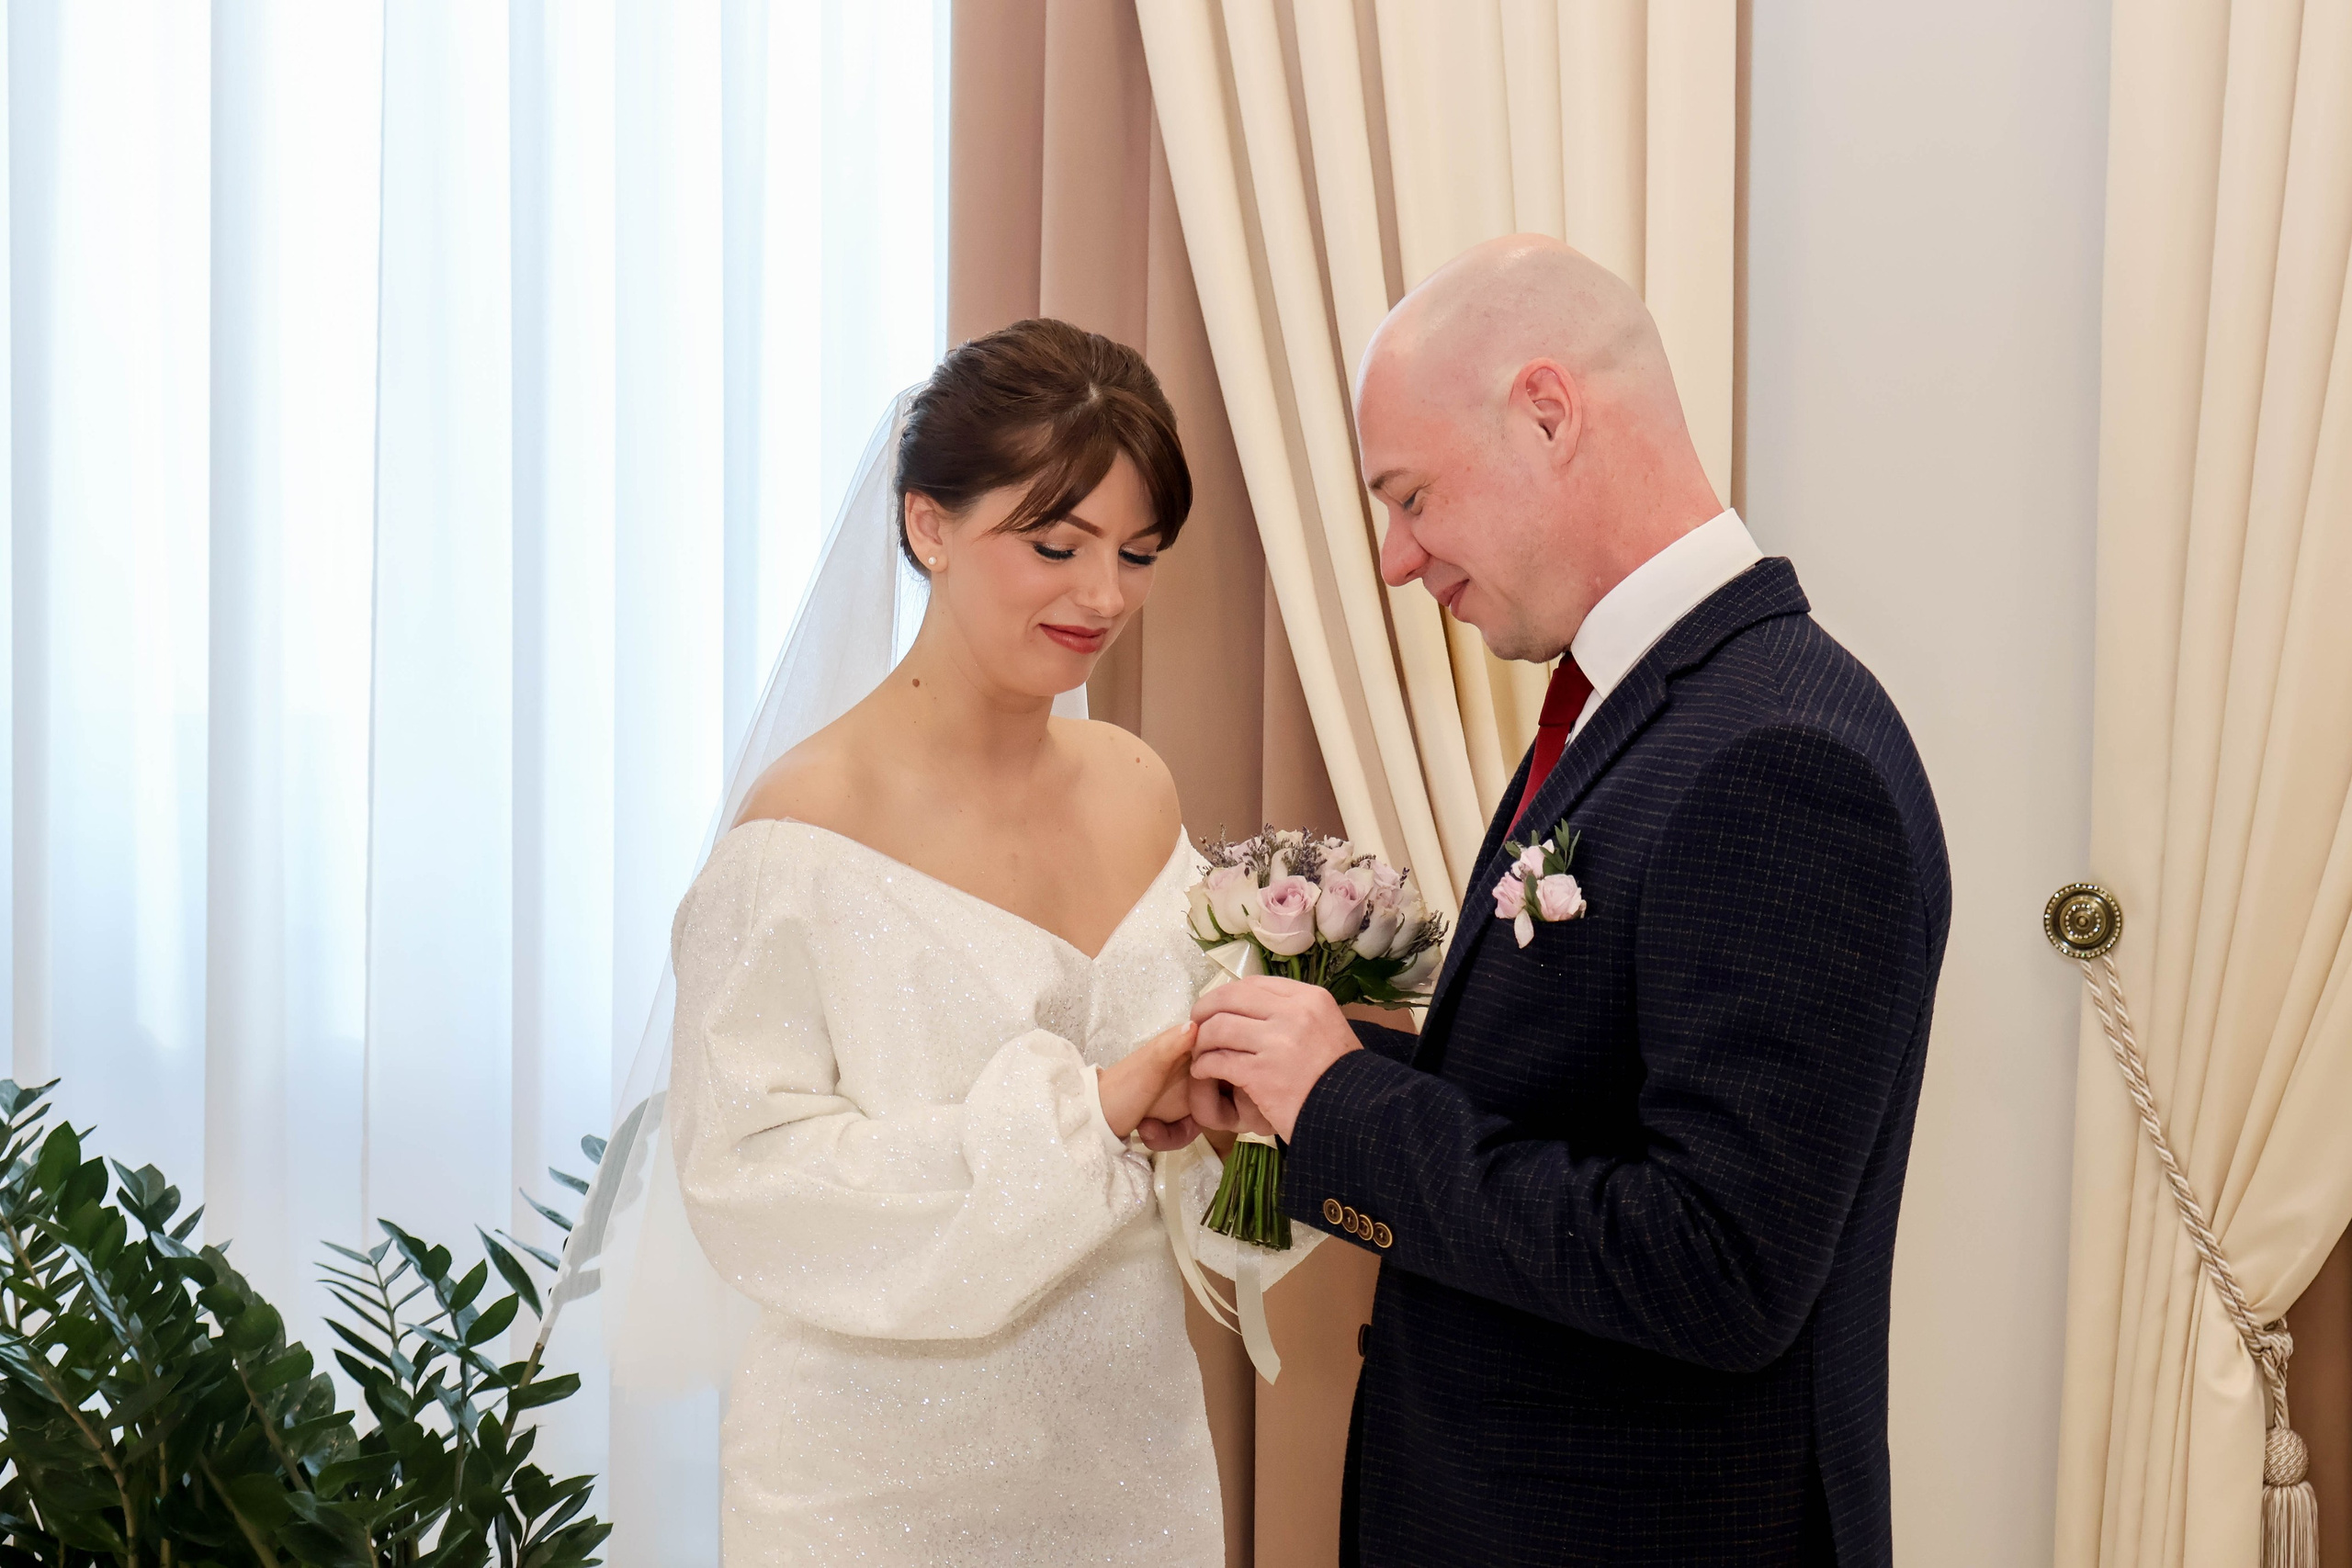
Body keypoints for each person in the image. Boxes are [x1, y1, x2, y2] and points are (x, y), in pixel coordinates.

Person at [1188, 235, 1951, 1567]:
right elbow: (1583, 1109)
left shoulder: (1780, 755)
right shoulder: (1651, 709)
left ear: (1548, 411)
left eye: (1412, 494)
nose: (1395, 557)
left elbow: (1716, 1269)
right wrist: (1310, 1089)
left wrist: (1351, 1108)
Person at [661, 318, 1304, 1565]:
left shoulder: (1137, 785)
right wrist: (1094, 1110)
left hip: (1131, 1459)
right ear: (928, 527)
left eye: (1139, 552)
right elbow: (754, 1187)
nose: (1103, 596)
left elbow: (1192, 1159)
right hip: (869, 1487)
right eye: (1055, 545)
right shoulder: (799, 839)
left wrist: (1231, 1110)